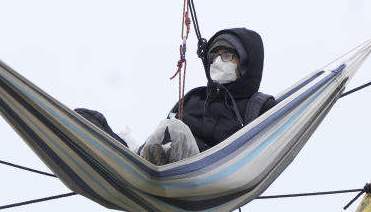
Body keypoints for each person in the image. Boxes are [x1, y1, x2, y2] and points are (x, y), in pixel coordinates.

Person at [77, 28, 275, 166]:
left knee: (175, 130)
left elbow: (283, 125)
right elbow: (163, 134)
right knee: (86, 118)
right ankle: (121, 161)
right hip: (155, 161)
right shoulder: (195, 98)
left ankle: (135, 166)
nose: (216, 62)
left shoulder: (257, 105)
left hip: (205, 170)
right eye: (213, 57)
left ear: (246, 62)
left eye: (227, 56)